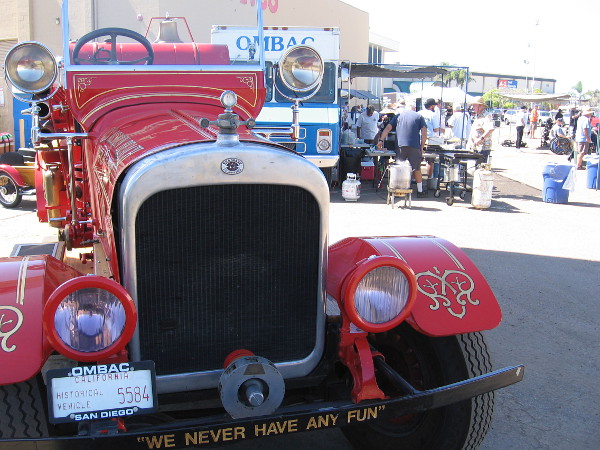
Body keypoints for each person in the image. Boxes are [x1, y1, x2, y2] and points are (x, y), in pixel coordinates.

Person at [376, 98, 428, 198]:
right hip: (414, 146)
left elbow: (388, 128)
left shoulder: (398, 115)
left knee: (399, 168)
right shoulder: (419, 116)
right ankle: (420, 191)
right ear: (414, 108)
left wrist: (381, 140)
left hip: (400, 145)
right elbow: (424, 132)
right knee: (416, 168)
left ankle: (398, 189)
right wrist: (422, 146)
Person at [467, 97, 494, 162]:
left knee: (480, 167)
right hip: (477, 148)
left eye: (474, 105)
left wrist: (480, 139)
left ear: (481, 106)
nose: (473, 107)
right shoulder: (478, 116)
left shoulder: (486, 116)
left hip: (482, 149)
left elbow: (490, 129)